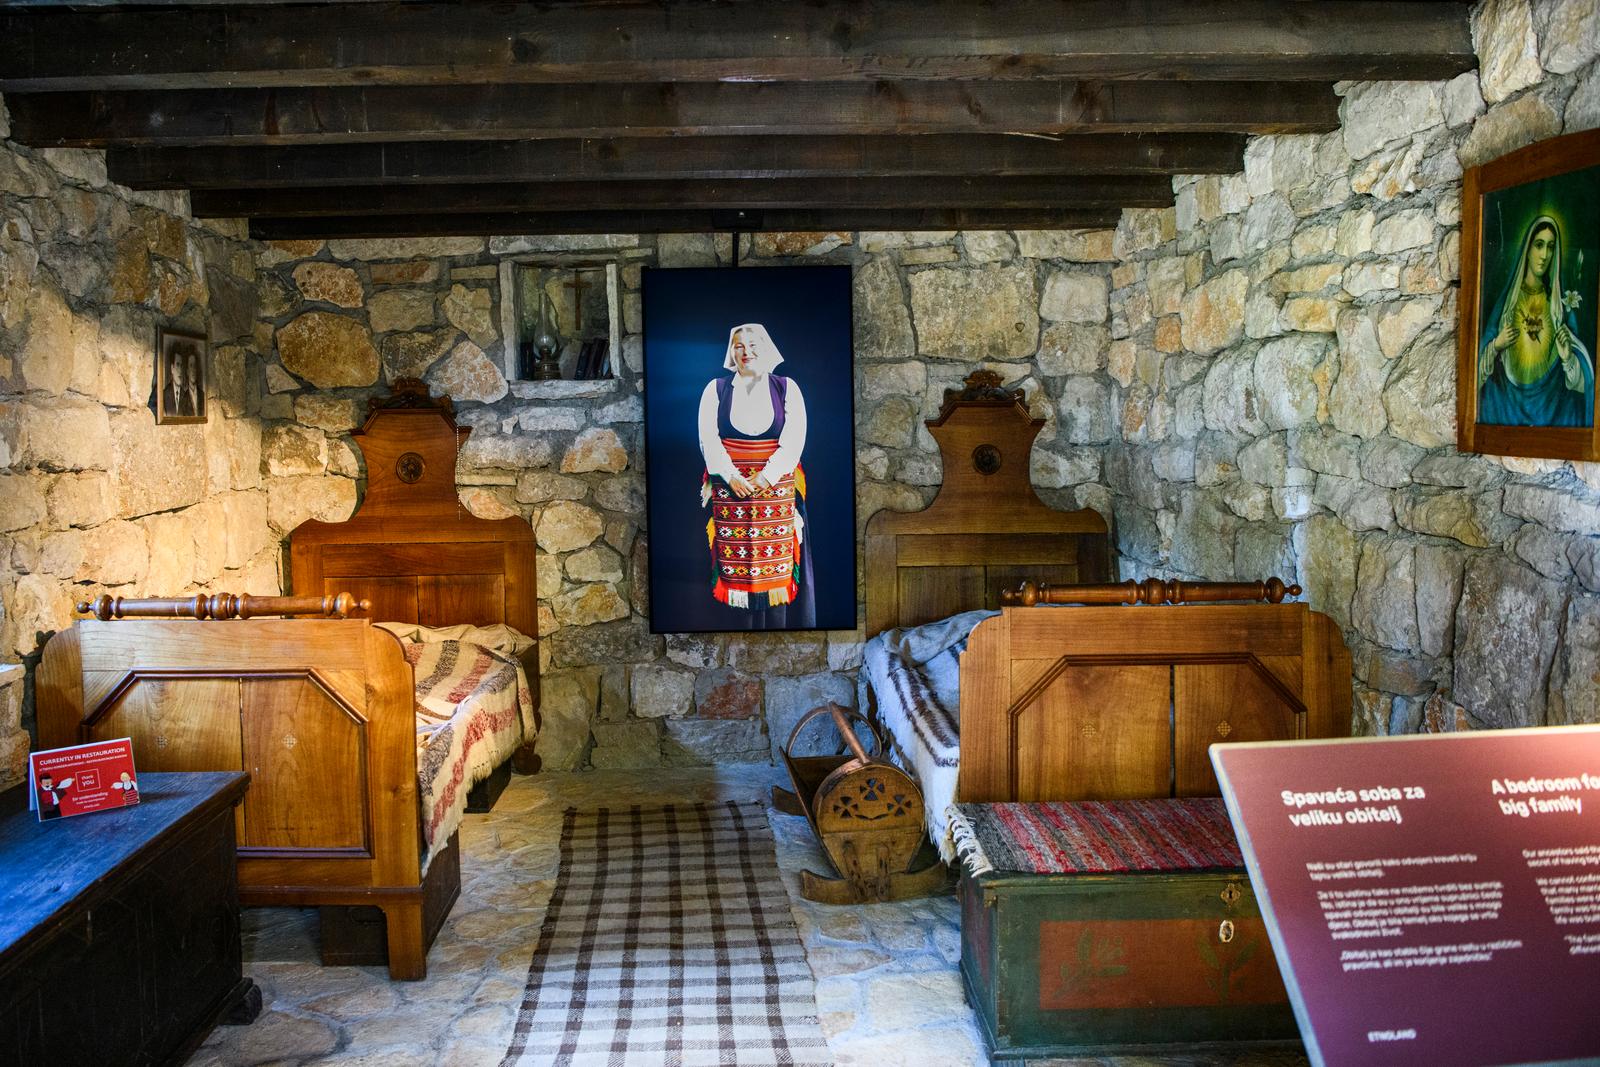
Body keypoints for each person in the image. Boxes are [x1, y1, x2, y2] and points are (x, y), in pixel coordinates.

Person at [696, 323, 814, 628]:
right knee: (732, 574)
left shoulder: (786, 388)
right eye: (739, 345)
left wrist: (766, 477)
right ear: (731, 351)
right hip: (730, 495)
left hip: (775, 493)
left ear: (766, 347)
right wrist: (731, 475)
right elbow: (708, 439)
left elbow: (795, 440)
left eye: (752, 345)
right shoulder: (716, 390)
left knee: (777, 571)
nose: (746, 352)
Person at [1478, 214, 1595, 427]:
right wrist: (1496, 345)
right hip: (1506, 406)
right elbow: (1475, 374)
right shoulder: (1507, 304)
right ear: (1527, 249)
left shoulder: (1560, 307)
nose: (1544, 255)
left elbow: (1585, 382)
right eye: (1539, 245)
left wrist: (1568, 358)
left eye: (1550, 247)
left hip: (1553, 407)